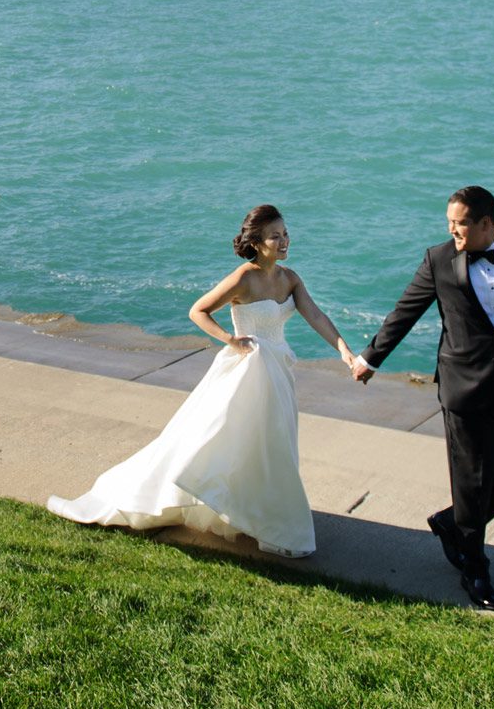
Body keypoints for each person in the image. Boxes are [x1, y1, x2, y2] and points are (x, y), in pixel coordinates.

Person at [48, 205, 361, 557]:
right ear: (257, 243)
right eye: (276, 236)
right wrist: (230, 340)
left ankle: (261, 516)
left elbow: (315, 314)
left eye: (286, 233)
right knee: (214, 442)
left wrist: (344, 350)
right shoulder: (243, 277)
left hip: (279, 373)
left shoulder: (290, 278)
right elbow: (198, 310)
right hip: (248, 372)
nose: (285, 240)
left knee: (270, 447)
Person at [352, 185, 494, 610]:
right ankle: (475, 568)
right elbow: (406, 309)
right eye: (449, 222)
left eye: (461, 222)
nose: (452, 230)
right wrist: (370, 359)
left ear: (488, 223)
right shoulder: (439, 259)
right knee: (473, 481)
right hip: (462, 386)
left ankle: (451, 524)